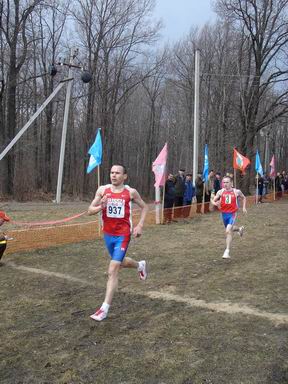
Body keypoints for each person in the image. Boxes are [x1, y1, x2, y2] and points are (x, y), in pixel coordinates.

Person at [88, 164, 148, 321]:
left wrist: (140, 225)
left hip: (123, 234)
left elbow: (144, 207)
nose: (114, 175)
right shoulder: (102, 190)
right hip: (108, 234)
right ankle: (140, 265)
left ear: (125, 176)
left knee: (113, 268)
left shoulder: (131, 192)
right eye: (112, 172)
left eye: (117, 173)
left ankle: (104, 309)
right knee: (120, 263)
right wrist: (102, 205)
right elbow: (89, 210)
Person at [212, 176, 247, 259]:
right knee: (229, 229)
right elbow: (214, 199)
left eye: (227, 182)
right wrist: (215, 203)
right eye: (224, 182)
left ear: (231, 183)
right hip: (224, 214)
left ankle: (227, 251)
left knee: (228, 231)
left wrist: (244, 207)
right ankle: (239, 229)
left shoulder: (236, 191)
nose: (225, 184)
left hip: (232, 213)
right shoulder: (220, 192)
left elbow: (244, 197)